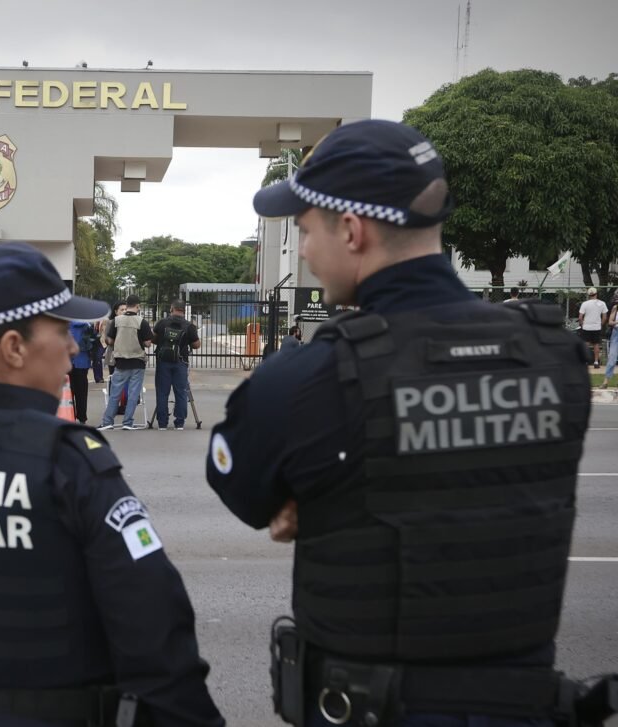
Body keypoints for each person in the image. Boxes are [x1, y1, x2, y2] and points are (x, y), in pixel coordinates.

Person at [206, 120, 593, 727]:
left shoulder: (309, 377)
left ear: (351, 231)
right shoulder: (555, 354)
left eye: (305, 231)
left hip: (374, 707)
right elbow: (489, 478)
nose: (303, 251)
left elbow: (251, 496)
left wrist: (329, 499)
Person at [0, 241, 224, 727]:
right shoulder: (71, 466)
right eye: (61, 329)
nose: (73, 346)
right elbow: (157, 633)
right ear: (14, 347)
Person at [99, 295, 153, 431]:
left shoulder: (116, 321)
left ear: (127, 305)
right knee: (133, 394)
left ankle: (107, 422)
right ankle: (127, 422)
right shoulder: (142, 322)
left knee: (115, 393)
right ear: (138, 306)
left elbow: (109, 340)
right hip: (137, 362)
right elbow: (148, 343)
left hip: (121, 362)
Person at [152, 299, 200, 430]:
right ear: (184, 311)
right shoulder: (189, 326)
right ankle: (179, 423)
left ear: (171, 309)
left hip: (163, 362)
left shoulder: (161, 323)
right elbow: (196, 345)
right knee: (181, 392)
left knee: (162, 392)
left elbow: (153, 339)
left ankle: (162, 424)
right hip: (181, 362)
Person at [67, 320, 93, 423]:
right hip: (83, 361)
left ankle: (70, 415)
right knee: (82, 391)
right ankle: (82, 417)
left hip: (67, 361)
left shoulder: (64, 325)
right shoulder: (87, 325)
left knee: (69, 392)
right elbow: (93, 341)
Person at [578, 286, 608, 367]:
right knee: (596, 344)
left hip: (586, 327)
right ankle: (596, 362)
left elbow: (580, 317)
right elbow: (605, 317)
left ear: (589, 295)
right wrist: (600, 324)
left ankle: (584, 361)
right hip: (596, 327)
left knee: (586, 344)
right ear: (596, 294)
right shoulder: (602, 303)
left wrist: (582, 324)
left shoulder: (585, 304)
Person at [599, 292, 618, 388]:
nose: (616, 299)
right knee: (612, 358)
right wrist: (616, 322)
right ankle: (605, 382)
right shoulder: (615, 308)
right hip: (616, 334)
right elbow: (610, 322)